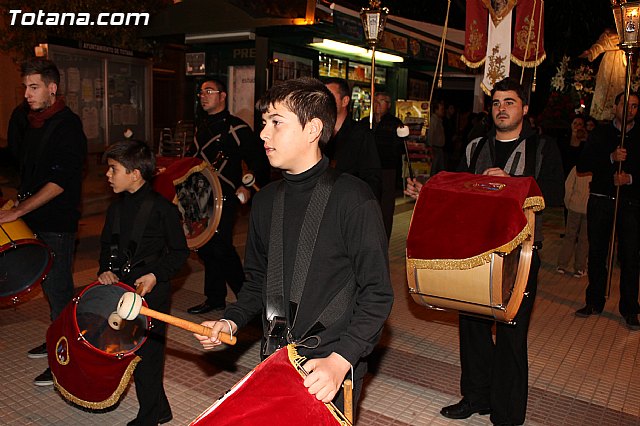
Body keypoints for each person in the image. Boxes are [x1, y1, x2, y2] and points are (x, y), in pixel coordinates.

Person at [193, 77, 394, 418]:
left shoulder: (353, 198)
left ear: (313, 129)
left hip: (330, 363)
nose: (262, 134)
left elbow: (377, 294)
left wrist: (341, 360)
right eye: (264, 123)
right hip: (276, 356)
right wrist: (231, 321)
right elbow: (256, 281)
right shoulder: (267, 201)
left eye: (276, 122)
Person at [406, 77, 563, 426]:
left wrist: (508, 182)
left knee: (511, 331)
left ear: (524, 109)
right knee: (471, 326)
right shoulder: (475, 147)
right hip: (476, 252)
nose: (501, 109)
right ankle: (476, 397)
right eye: (496, 103)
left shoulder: (542, 148)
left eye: (509, 102)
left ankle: (506, 413)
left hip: (520, 255)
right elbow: (457, 194)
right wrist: (427, 195)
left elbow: (554, 195)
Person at [0, 59, 87, 386]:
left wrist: (19, 212)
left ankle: (66, 357)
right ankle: (55, 337)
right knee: (50, 290)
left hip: (57, 222)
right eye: (25, 87)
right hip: (36, 218)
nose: (27, 93)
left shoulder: (68, 126)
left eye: (33, 87)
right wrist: (18, 203)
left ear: (53, 88)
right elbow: (33, 175)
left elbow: (59, 182)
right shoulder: (35, 122)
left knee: (60, 290)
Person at [98, 140, 189, 425]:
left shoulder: (163, 210)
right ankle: (159, 408)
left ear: (135, 173)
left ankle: (149, 417)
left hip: (152, 293)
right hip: (122, 290)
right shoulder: (116, 209)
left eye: (114, 169)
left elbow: (179, 253)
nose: (108, 175)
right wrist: (105, 270)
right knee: (129, 350)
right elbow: (106, 247)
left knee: (147, 357)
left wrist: (155, 275)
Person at [187, 78, 270, 315]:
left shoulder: (237, 128)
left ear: (223, 96)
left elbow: (259, 160)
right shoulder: (200, 128)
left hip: (226, 197)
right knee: (206, 247)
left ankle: (248, 300)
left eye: (209, 91)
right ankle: (215, 298)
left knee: (221, 247)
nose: (203, 96)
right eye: (201, 92)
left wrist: (247, 185)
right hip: (201, 197)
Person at [575, 92, 640, 330]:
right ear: (616, 107)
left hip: (630, 203)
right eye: (626, 105)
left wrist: (630, 178)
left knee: (631, 256)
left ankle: (631, 308)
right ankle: (593, 301)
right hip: (602, 199)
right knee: (597, 253)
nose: (630, 110)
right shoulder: (601, 133)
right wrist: (610, 158)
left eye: (634, 106)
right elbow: (583, 164)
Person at [323, 77, 381, 199]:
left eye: (330, 97)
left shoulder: (361, 134)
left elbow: (372, 178)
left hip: (349, 202)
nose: (324, 101)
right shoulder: (317, 132)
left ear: (345, 101)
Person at [363, 91, 404, 240]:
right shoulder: (365, 122)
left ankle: (383, 238)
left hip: (387, 168)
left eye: (381, 101)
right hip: (368, 169)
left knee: (386, 206)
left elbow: (398, 148)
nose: (378, 104)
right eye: (375, 101)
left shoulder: (394, 123)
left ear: (388, 105)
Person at [556, 166, 591, 278]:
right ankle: (579, 268)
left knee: (569, 236)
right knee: (584, 239)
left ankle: (562, 264)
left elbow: (568, 186)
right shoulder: (597, 168)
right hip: (589, 209)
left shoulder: (576, 168)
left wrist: (568, 203)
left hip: (574, 207)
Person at [428, 99, 446, 175]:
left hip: (439, 148)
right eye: (441, 109)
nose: (443, 111)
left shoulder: (439, 120)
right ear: (436, 110)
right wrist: (430, 147)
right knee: (434, 169)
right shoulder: (433, 120)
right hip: (435, 148)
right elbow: (430, 134)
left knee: (439, 169)